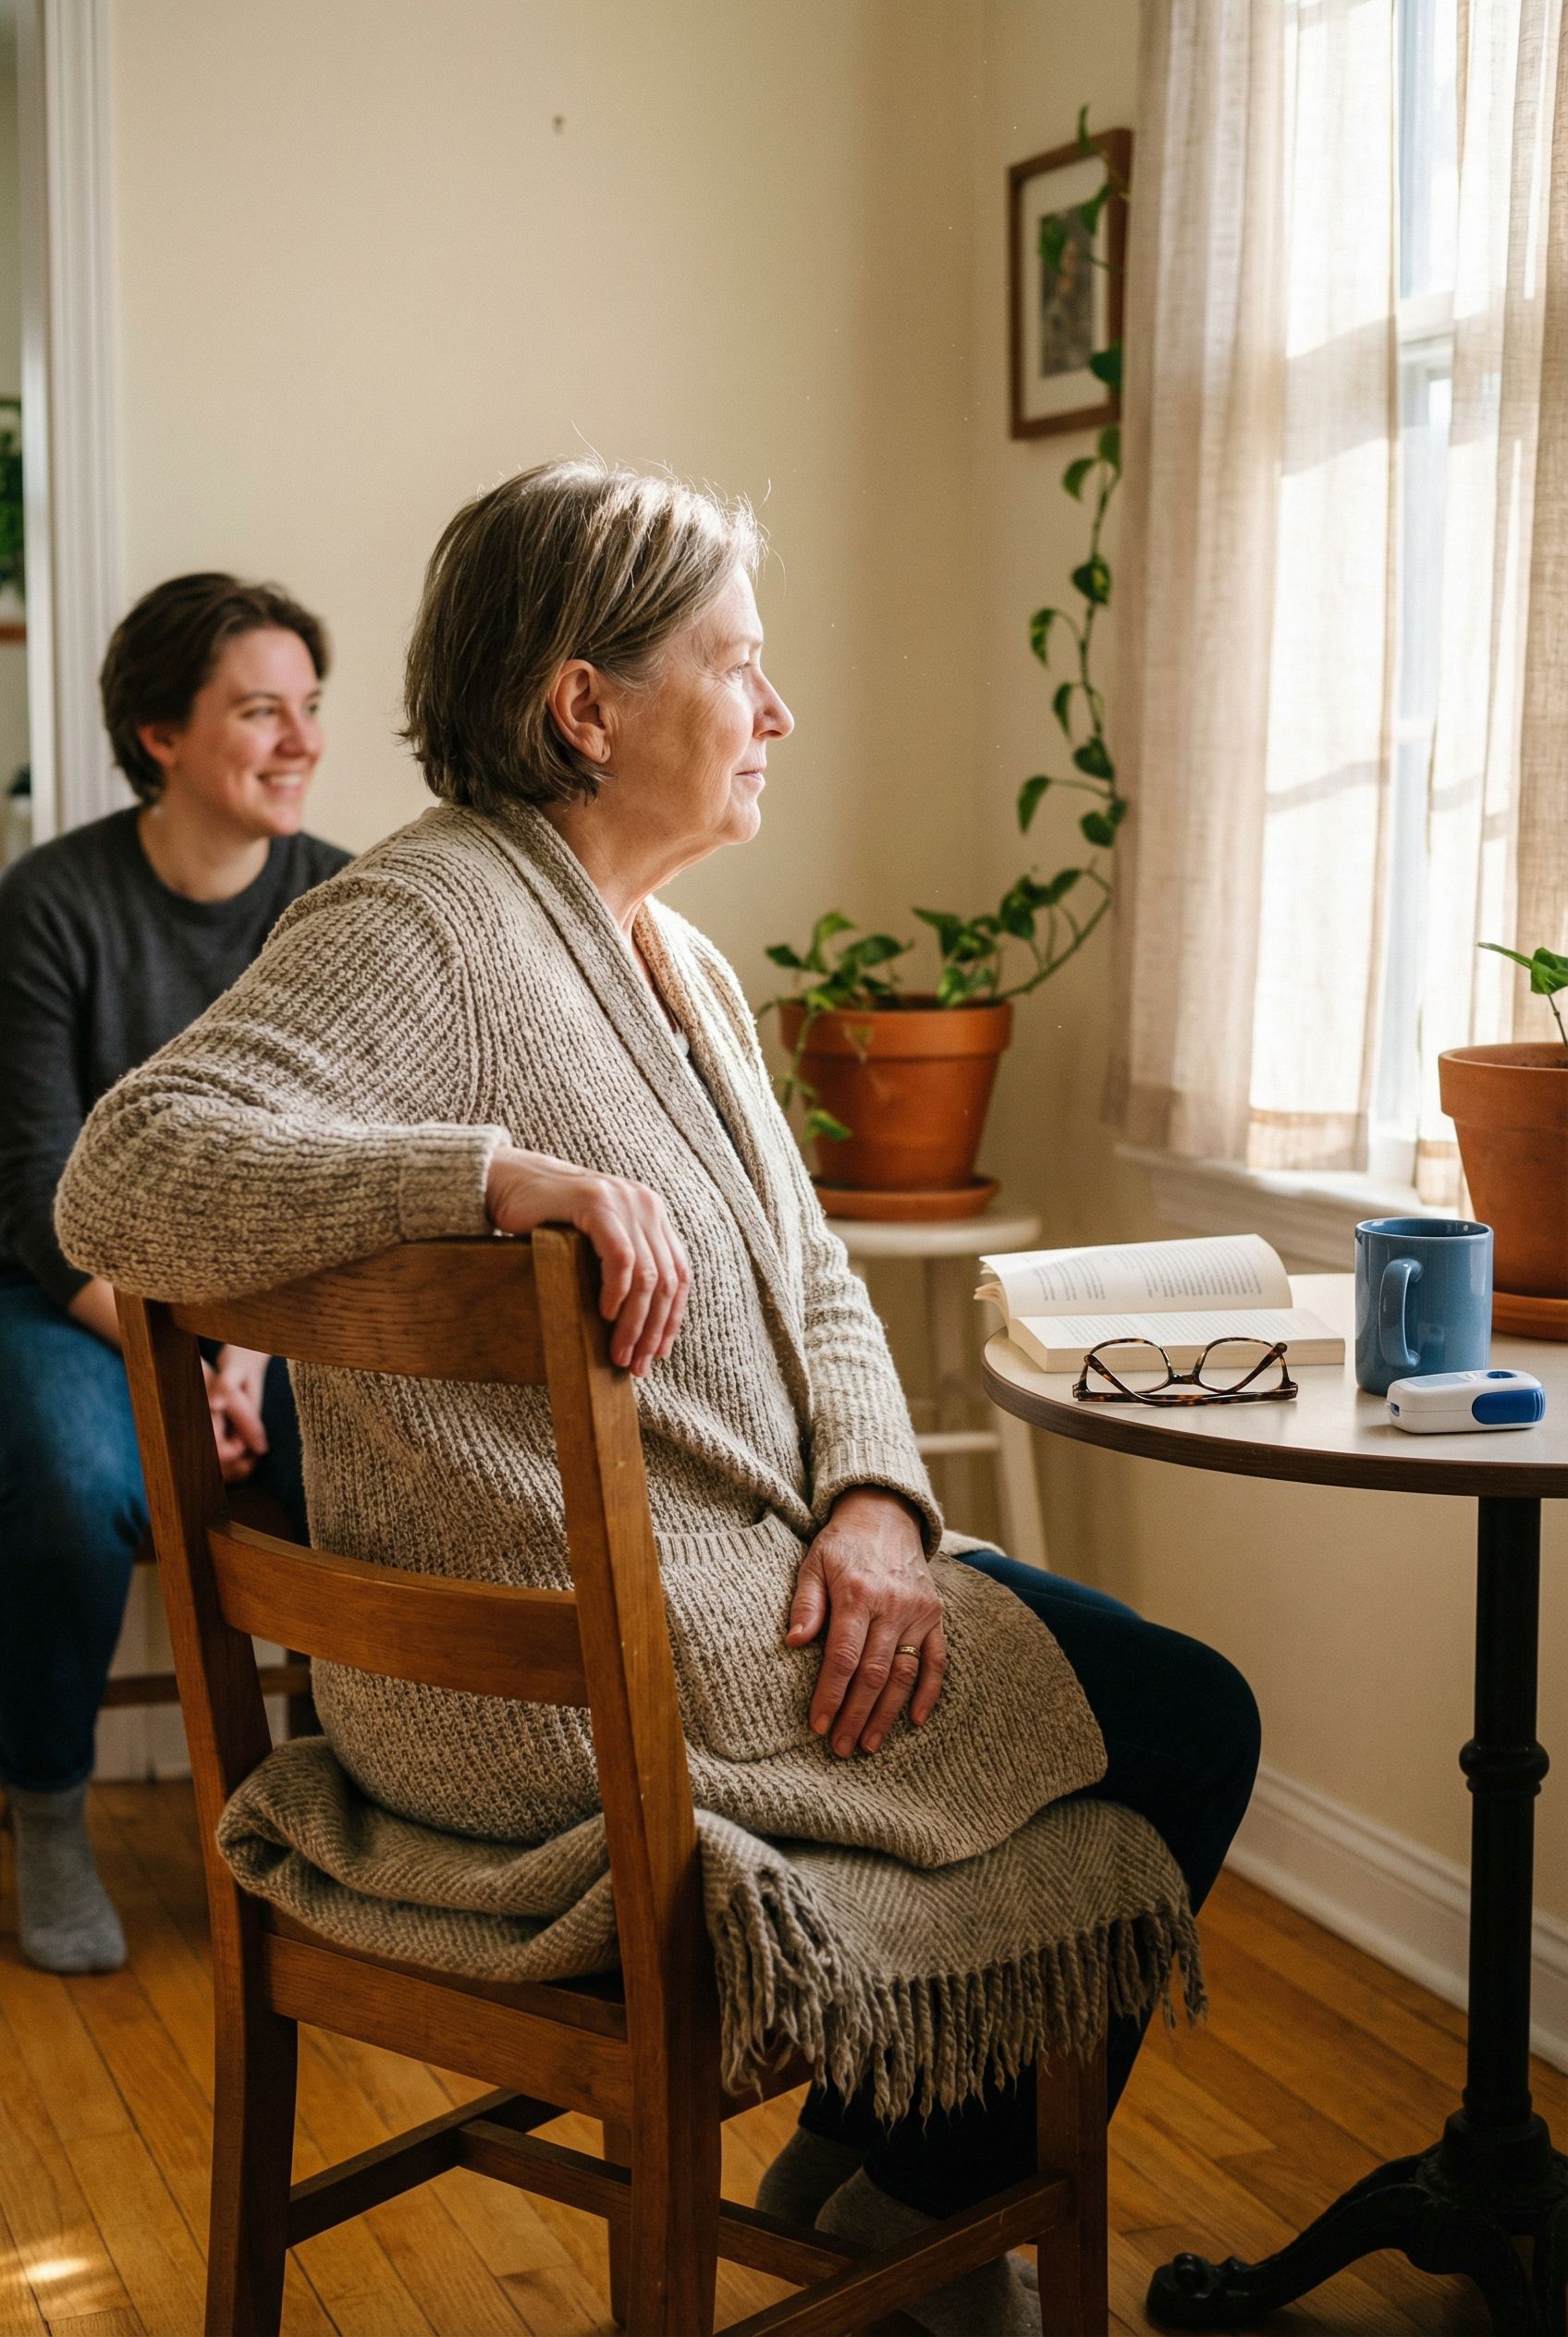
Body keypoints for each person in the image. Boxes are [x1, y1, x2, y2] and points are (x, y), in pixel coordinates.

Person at [55, 467, 1257, 2336]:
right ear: (584, 704)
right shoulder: (435, 914)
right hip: (542, 1686)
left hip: (722, 1602)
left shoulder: (682, 960)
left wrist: (871, 1501)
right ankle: (901, 2210)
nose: (775, 715)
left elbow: (820, 1287)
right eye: (739, 668)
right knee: (1182, 1721)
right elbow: (122, 1172)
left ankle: (874, 2188)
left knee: (1115, 1684)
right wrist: (481, 1176)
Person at [0, 574, 349, 1976]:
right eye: (259, 709)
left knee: (382, 1467)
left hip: (277, 1312)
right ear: (162, 733)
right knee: (74, 1489)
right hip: (69, 1299)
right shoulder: (51, 904)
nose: (299, 740)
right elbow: (33, 1192)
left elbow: (338, 1166)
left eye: (309, 708)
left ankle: (356, 1810)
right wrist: (171, 1360)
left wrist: (244, 1353)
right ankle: (49, 1811)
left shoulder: (336, 899)